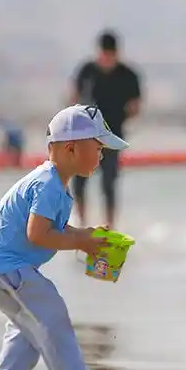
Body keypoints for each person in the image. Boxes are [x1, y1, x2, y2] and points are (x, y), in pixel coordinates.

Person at [0, 104, 129, 370]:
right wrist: (81, 243)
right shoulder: (48, 186)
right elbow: (38, 235)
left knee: (28, 324)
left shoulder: (53, 183)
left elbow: (53, 227)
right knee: (51, 312)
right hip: (5, 266)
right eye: (98, 148)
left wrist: (84, 235)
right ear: (71, 149)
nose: (101, 156)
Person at [70, 30, 142, 228]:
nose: (107, 59)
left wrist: (123, 118)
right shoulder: (87, 71)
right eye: (104, 55)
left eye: (111, 55)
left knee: (109, 182)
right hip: (85, 134)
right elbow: (74, 96)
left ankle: (109, 225)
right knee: (80, 179)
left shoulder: (128, 75)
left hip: (112, 135)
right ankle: (81, 222)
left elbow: (135, 105)